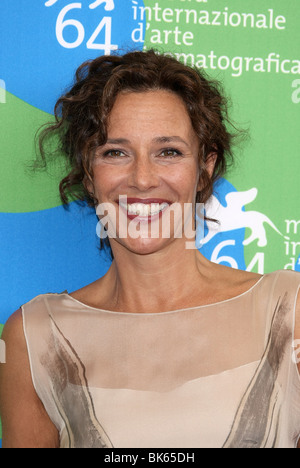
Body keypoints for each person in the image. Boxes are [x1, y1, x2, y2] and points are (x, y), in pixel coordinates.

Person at [0, 50, 299, 449]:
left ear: (205, 167)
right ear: (89, 173)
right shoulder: (34, 336)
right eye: (115, 152)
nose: (142, 179)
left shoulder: (288, 310)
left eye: (169, 152)